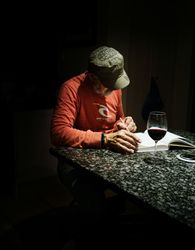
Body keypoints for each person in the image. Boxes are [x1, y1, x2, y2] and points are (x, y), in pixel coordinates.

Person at [50, 46, 140, 223]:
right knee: (93, 202)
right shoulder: (71, 88)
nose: (114, 90)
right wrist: (105, 139)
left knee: (138, 183)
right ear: (92, 77)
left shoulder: (115, 88)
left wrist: (124, 125)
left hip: (108, 157)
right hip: (75, 161)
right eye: (109, 86)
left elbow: (117, 120)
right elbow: (58, 133)